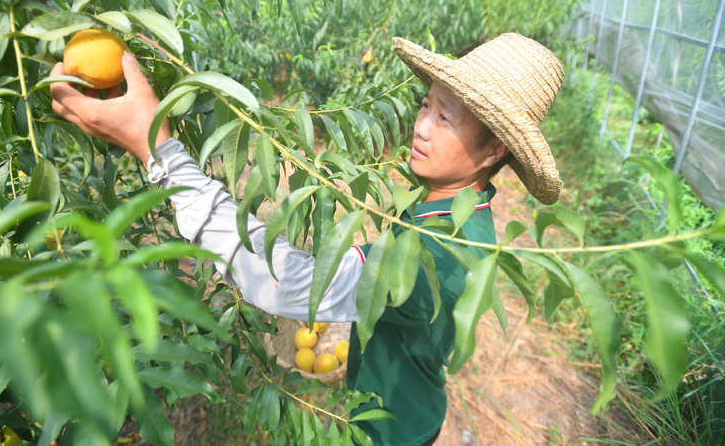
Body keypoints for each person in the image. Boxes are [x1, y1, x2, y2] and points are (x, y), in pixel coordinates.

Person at [49, 32, 564, 445]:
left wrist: (159, 152)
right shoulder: (443, 204)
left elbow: (292, 285)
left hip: (396, 429)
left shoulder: (447, 247)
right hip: (390, 399)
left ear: (494, 149)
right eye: (426, 105)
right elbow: (361, 275)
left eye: (445, 118)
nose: (421, 127)